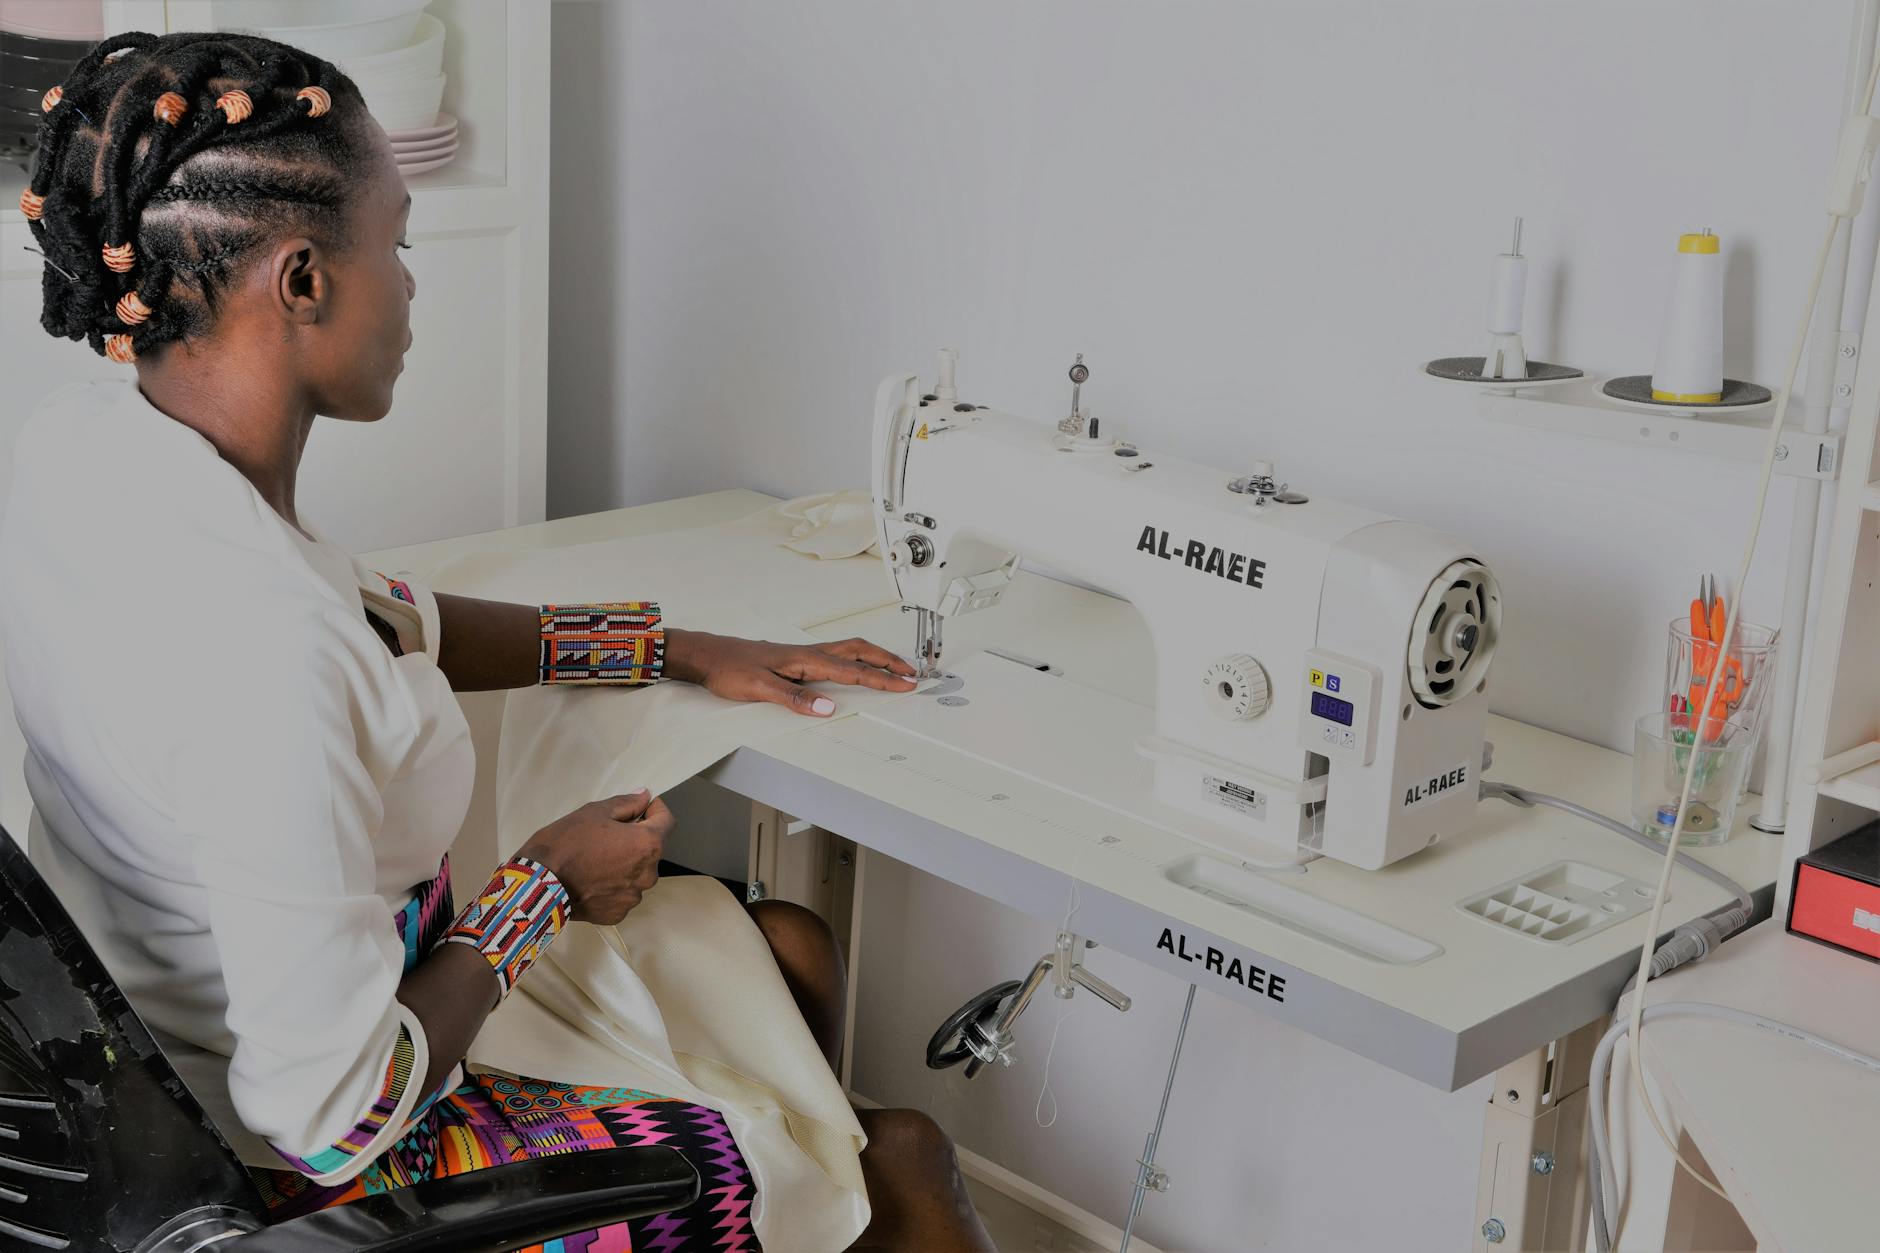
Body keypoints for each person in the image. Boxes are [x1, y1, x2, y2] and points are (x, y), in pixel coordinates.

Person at [0, 31, 992, 1252]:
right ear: (303, 279)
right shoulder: (268, 662)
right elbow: (334, 1116)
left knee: (783, 947)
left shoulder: (88, 449)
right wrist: (540, 886)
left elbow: (385, 615)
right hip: (305, 1170)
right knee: (895, 1156)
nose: (411, 285)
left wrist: (671, 644)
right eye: (397, 245)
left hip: (150, 1064)